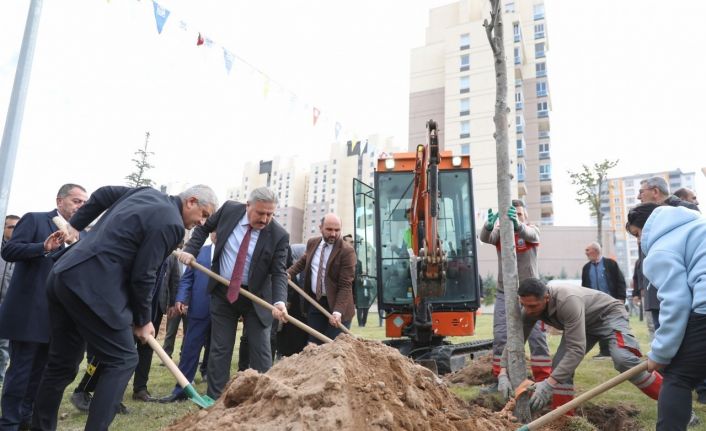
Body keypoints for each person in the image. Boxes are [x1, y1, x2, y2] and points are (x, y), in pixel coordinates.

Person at [30, 184, 217, 431]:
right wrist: (142, 319)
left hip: (64, 275)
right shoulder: (172, 224)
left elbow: (103, 194)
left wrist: (76, 225)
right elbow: (144, 274)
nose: (202, 222)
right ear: (191, 201)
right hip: (92, 287)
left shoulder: (145, 193)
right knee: (123, 359)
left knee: (61, 363)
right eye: (203, 215)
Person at [177, 186, 289, 400]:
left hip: (257, 298)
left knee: (262, 353)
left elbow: (279, 272)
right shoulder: (229, 210)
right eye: (261, 213)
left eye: (270, 214)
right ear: (248, 206)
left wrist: (280, 302)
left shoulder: (279, 235)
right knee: (220, 349)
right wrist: (190, 250)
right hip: (223, 292)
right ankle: (215, 400)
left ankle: (263, 401)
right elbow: (202, 229)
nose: (265, 219)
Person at [498, 277, 661, 413]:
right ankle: (562, 418)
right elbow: (515, 341)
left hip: (608, 316)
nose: (528, 310)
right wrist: (503, 373)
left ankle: (671, 400)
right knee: (560, 366)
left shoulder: (567, 301)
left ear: (546, 297)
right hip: (583, 323)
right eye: (524, 305)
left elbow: (576, 349)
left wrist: (548, 384)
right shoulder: (529, 310)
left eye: (533, 306)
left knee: (623, 360)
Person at [0, 183, 88, 430]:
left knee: (42, 374)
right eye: (77, 201)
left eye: (85, 202)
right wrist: (42, 247)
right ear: (60, 201)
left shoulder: (84, 234)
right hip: (30, 313)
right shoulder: (36, 220)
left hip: (60, 318)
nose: (82, 206)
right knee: (21, 372)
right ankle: (9, 422)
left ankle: (27, 419)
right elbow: (10, 250)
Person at [627, 203, 706, 428]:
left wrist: (660, 353)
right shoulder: (697, 225)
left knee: (678, 377)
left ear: (648, 226)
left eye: (637, 234)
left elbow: (677, 302)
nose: (639, 241)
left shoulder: (661, 248)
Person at [479, 200, 551, 391]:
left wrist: (518, 226)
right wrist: (487, 226)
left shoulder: (532, 230)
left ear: (525, 217)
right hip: (505, 293)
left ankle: (543, 380)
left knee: (536, 338)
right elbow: (485, 238)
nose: (515, 218)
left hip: (532, 295)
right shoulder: (501, 234)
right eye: (512, 215)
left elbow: (530, 233)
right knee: (501, 335)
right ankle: (501, 379)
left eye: (519, 214)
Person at [160, 233, 216, 403]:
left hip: (223, 312)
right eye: (214, 230)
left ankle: (214, 392)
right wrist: (181, 298)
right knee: (190, 348)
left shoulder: (231, 253)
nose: (217, 234)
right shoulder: (200, 252)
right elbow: (187, 279)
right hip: (198, 308)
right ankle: (181, 390)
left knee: (217, 351)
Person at [288, 214, 356, 344]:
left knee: (333, 346)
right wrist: (289, 273)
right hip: (316, 303)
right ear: (320, 228)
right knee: (314, 345)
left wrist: (337, 312)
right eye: (329, 229)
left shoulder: (347, 251)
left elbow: (345, 285)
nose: (333, 234)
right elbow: (303, 261)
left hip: (339, 306)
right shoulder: (313, 243)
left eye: (337, 230)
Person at [581, 241, 627, 358]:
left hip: (611, 302)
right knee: (598, 325)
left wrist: (621, 298)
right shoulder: (586, 268)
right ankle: (604, 352)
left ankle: (619, 351)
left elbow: (620, 281)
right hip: (594, 304)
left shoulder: (611, 264)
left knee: (614, 325)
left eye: (588, 250)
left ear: (596, 251)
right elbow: (584, 286)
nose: (586, 253)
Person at [0, 215, 19, 388]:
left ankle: (0, 376)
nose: (14, 230)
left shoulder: (21, 249)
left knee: (4, 344)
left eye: (17, 227)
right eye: (11, 227)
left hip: (8, 305)